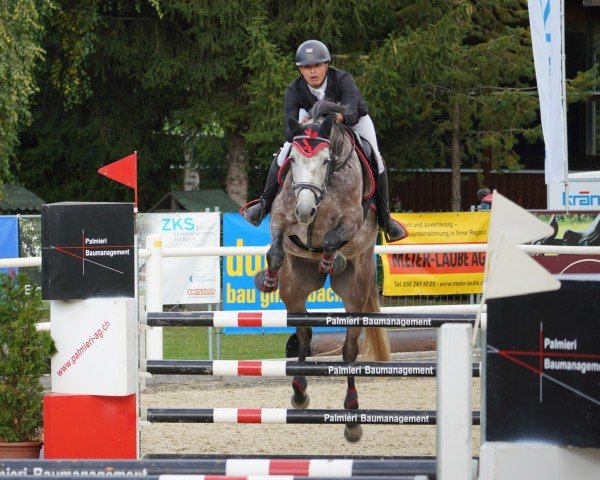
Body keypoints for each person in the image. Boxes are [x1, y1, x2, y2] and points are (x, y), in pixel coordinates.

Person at [243, 39, 406, 242]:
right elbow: (288, 131)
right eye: (306, 67)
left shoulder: (343, 79)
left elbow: (352, 112)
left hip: (352, 121)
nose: (312, 71)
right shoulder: (294, 90)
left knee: (376, 158)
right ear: (300, 70)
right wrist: (300, 127)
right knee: (285, 151)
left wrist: (335, 118)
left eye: (317, 65)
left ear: (326, 65)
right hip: (313, 124)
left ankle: (385, 218)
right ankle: (264, 204)